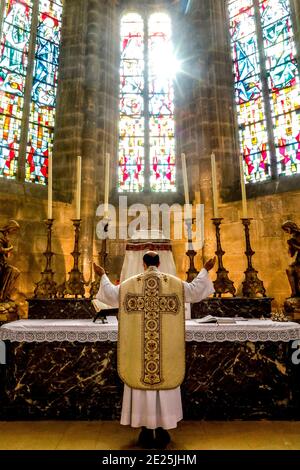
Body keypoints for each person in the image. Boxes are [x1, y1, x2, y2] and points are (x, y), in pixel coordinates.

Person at [94, 251, 215, 449]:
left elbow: (111, 296)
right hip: (165, 351)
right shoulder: (173, 283)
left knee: (140, 377)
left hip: (140, 351)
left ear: (143, 264)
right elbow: (194, 291)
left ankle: (144, 428)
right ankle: (162, 427)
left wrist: (102, 275)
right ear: (159, 263)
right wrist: (205, 270)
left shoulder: (131, 283)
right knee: (165, 377)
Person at [0, 220, 20, 301]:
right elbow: (1, 250)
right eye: (14, 230)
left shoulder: (5, 237)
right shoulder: (0, 235)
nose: (14, 232)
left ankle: (5, 294)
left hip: (2, 263)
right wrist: (10, 248)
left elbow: (7, 256)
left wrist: (8, 244)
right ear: (10, 228)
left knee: (15, 272)